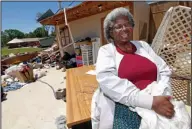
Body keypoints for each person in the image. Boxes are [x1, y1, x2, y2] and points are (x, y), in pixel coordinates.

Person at [91, 7, 175, 129]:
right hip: (125, 104)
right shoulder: (106, 51)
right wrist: (149, 102)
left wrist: (162, 94)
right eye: (118, 27)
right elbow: (108, 82)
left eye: (127, 24)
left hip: (157, 94)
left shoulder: (143, 46)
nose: (124, 28)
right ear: (111, 33)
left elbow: (164, 70)